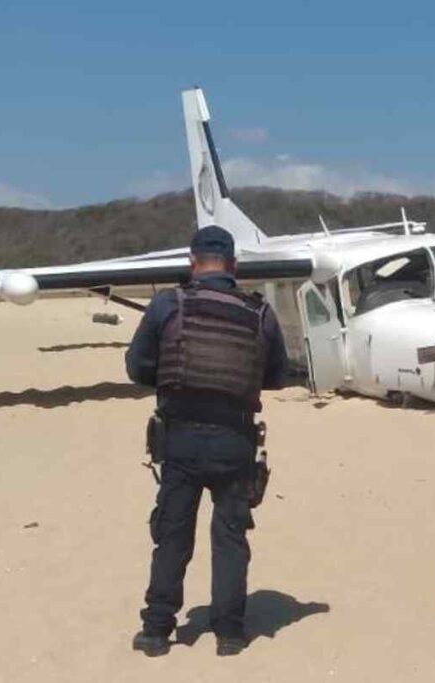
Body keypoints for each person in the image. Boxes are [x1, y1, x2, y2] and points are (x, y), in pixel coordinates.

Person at [127, 226, 288, 657]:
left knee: (172, 533)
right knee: (231, 536)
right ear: (233, 266)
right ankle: (230, 633)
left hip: (180, 436)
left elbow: (137, 367)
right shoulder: (260, 313)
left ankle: (159, 630)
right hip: (235, 440)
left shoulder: (169, 303)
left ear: (192, 262)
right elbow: (276, 375)